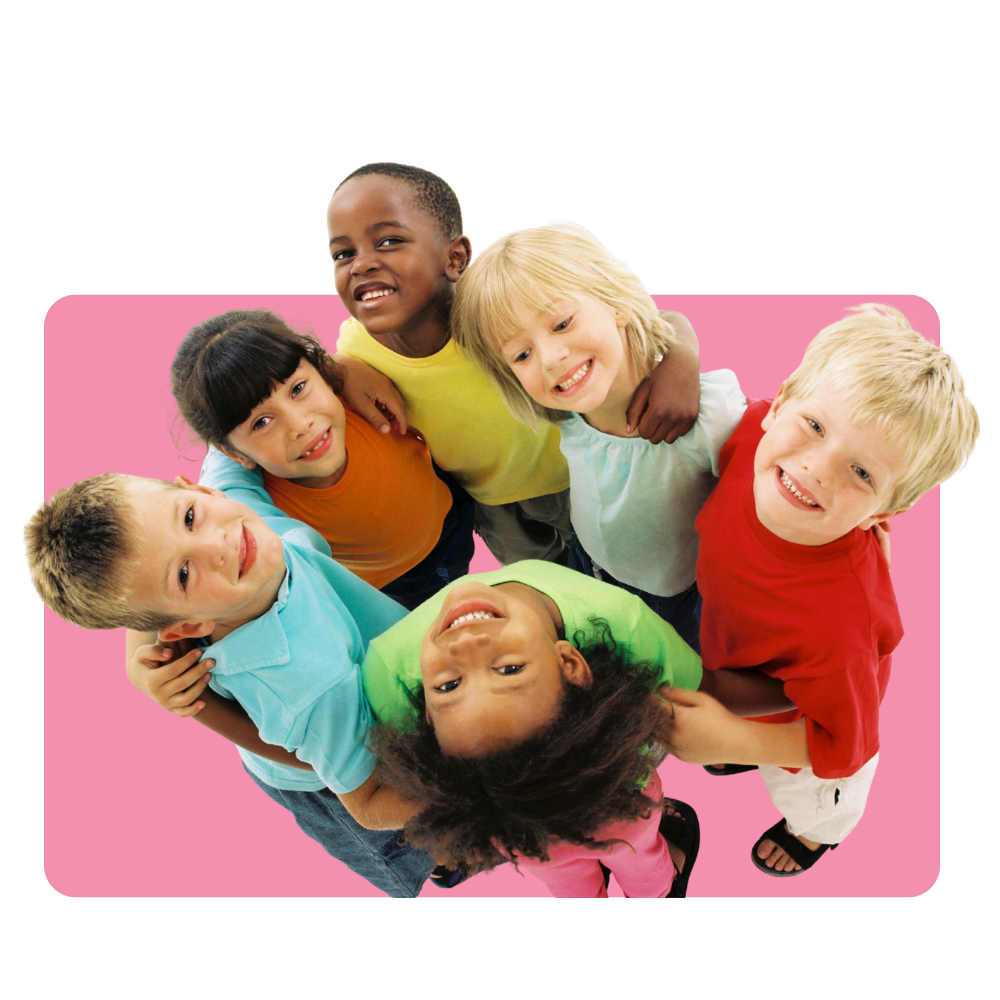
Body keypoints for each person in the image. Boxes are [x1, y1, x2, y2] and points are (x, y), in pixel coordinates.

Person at [662, 304, 980, 875]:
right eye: (814, 426)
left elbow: (846, 746)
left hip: (823, 721)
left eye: (862, 473)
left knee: (815, 799)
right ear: (780, 403)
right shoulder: (750, 438)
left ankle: (815, 836)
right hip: (748, 660)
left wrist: (735, 739)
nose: (817, 468)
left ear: (885, 512)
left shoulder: (839, 630)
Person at [25, 472, 435, 897]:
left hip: (318, 714)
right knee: (406, 851)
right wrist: (467, 801)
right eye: (184, 574)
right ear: (188, 627)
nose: (216, 545)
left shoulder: (236, 515)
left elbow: (223, 457)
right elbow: (368, 798)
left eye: (189, 517)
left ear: (199, 489)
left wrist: (136, 658)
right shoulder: (306, 685)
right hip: (327, 780)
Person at [325, 161, 703, 566]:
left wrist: (681, 360)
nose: (361, 264)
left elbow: (649, 317)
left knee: (626, 570)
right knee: (546, 588)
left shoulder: (497, 307)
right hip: (495, 505)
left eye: (388, 241)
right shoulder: (355, 350)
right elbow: (304, 371)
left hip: (585, 474)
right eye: (344, 253)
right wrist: (337, 369)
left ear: (455, 258)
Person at [366, 561, 793, 898]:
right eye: (509, 670)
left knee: (568, 888)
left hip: (518, 837)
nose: (466, 644)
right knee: (643, 860)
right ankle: (659, 894)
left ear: (427, 720)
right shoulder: (621, 621)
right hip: (622, 804)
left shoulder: (386, 670)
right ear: (570, 663)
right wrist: (799, 695)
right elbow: (709, 688)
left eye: (448, 686)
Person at [450, 219, 746, 650]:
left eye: (562, 324)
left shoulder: (707, 416)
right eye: (522, 354)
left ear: (615, 303)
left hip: (678, 594)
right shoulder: (568, 413)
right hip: (591, 564)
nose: (550, 358)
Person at [170, 308, 474, 610]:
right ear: (235, 454)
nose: (300, 425)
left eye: (298, 389)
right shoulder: (268, 512)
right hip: (399, 585)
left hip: (453, 507)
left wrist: (343, 369)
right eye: (261, 422)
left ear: (323, 373)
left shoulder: (356, 394)